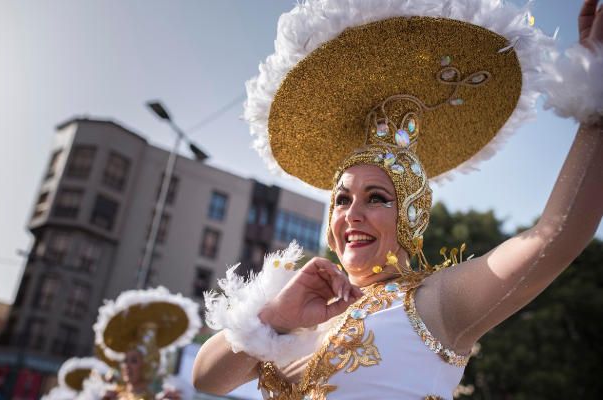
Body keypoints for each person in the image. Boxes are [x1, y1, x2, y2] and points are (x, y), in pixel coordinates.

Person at [193, 0, 603, 398]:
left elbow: (556, 236)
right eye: (341, 200)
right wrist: (276, 318)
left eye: (376, 198)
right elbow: (206, 380)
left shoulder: (436, 302)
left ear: (410, 215)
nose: (352, 214)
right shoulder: (297, 317)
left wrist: (595, 93)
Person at [93, 287, 201, 400]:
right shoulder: (111, 395)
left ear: (148, 364)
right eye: (125, 360)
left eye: (134, 361)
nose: (126, 366)